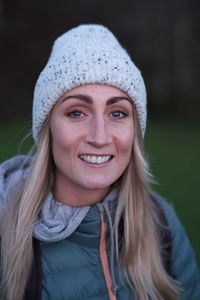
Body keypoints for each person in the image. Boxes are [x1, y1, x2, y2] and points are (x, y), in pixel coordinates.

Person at [0, 24, 199, 300]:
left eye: (117, 113)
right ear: (48, 129)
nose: (100, 137)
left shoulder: (163, 227)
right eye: (77, 113)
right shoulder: (5, 235)